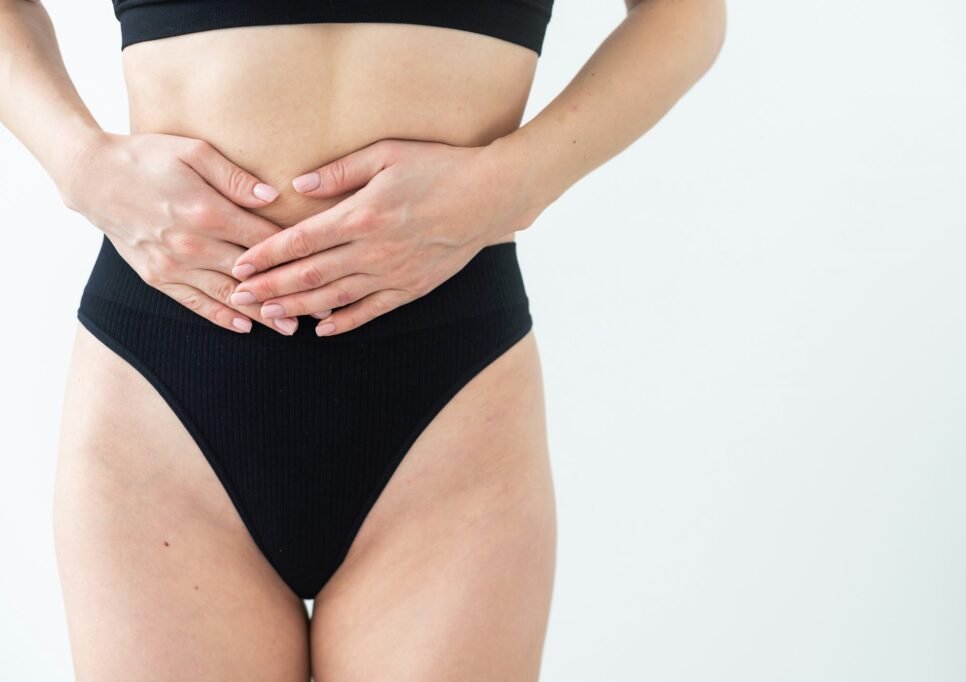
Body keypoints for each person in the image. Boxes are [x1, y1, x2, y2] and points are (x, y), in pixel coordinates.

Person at [0, 0, 726, 678]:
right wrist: (79, 163)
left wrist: (517, 181)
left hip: (448, 402)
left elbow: (686, 16)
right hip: (162, 395)